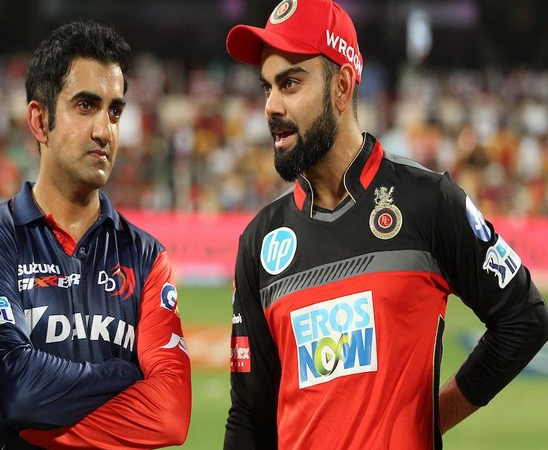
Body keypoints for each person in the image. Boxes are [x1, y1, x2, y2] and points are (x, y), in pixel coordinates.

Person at [223, 1, 548, 449]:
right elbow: (248, 416)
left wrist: (431, 420)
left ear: (341, 88)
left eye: (290, 83)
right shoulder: (260, 242)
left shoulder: (428, 201)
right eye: (266, 87)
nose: (270, 107)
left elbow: (524, 319)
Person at [0, 21, 191, 449]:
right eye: (86, 106)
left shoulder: (146, 257)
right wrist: (124, 375)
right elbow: (13, 389)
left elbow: (171, 417)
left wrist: (33, 414)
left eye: (115, 111)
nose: (105, 131)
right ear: (39, 120)